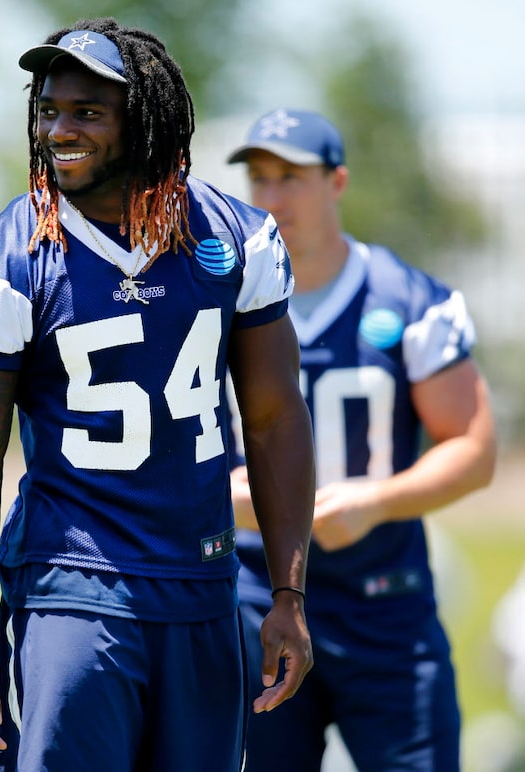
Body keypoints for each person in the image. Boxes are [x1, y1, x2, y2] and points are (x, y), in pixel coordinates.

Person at [0, 19, 315, 772]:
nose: (57, 130)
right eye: (47, 109)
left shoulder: (235, 238)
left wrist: (288, 594)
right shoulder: (10, 258)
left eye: (86, 112)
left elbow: (273, 420)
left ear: (143, 121)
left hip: (203, 586)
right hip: (74, 589)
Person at [225, 108, 497, 771]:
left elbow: (473, 448)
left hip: (385, 601)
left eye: (291, 176)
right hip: (255, 599)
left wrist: (375, 502)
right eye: (259, 178)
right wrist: (219, 494)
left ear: (337, 182)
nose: (271, 196)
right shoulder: (218, 300)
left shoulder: (407, 299)